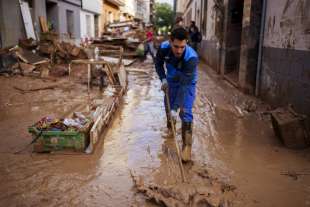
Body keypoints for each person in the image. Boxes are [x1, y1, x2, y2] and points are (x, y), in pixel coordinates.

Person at [155, 27, 199, 162]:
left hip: (187, 83)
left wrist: (176, 108)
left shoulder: (191, 58)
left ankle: (186, 147)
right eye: (176, 47)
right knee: (168, 108)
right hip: (171, 80)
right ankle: (171, 129)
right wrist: (162, 78)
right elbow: (158, 64)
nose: (179, 50)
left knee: (184, 110)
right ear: (170, 42)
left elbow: (183, 88)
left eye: (182, 47)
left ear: (186, 43)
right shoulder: (163, 48)